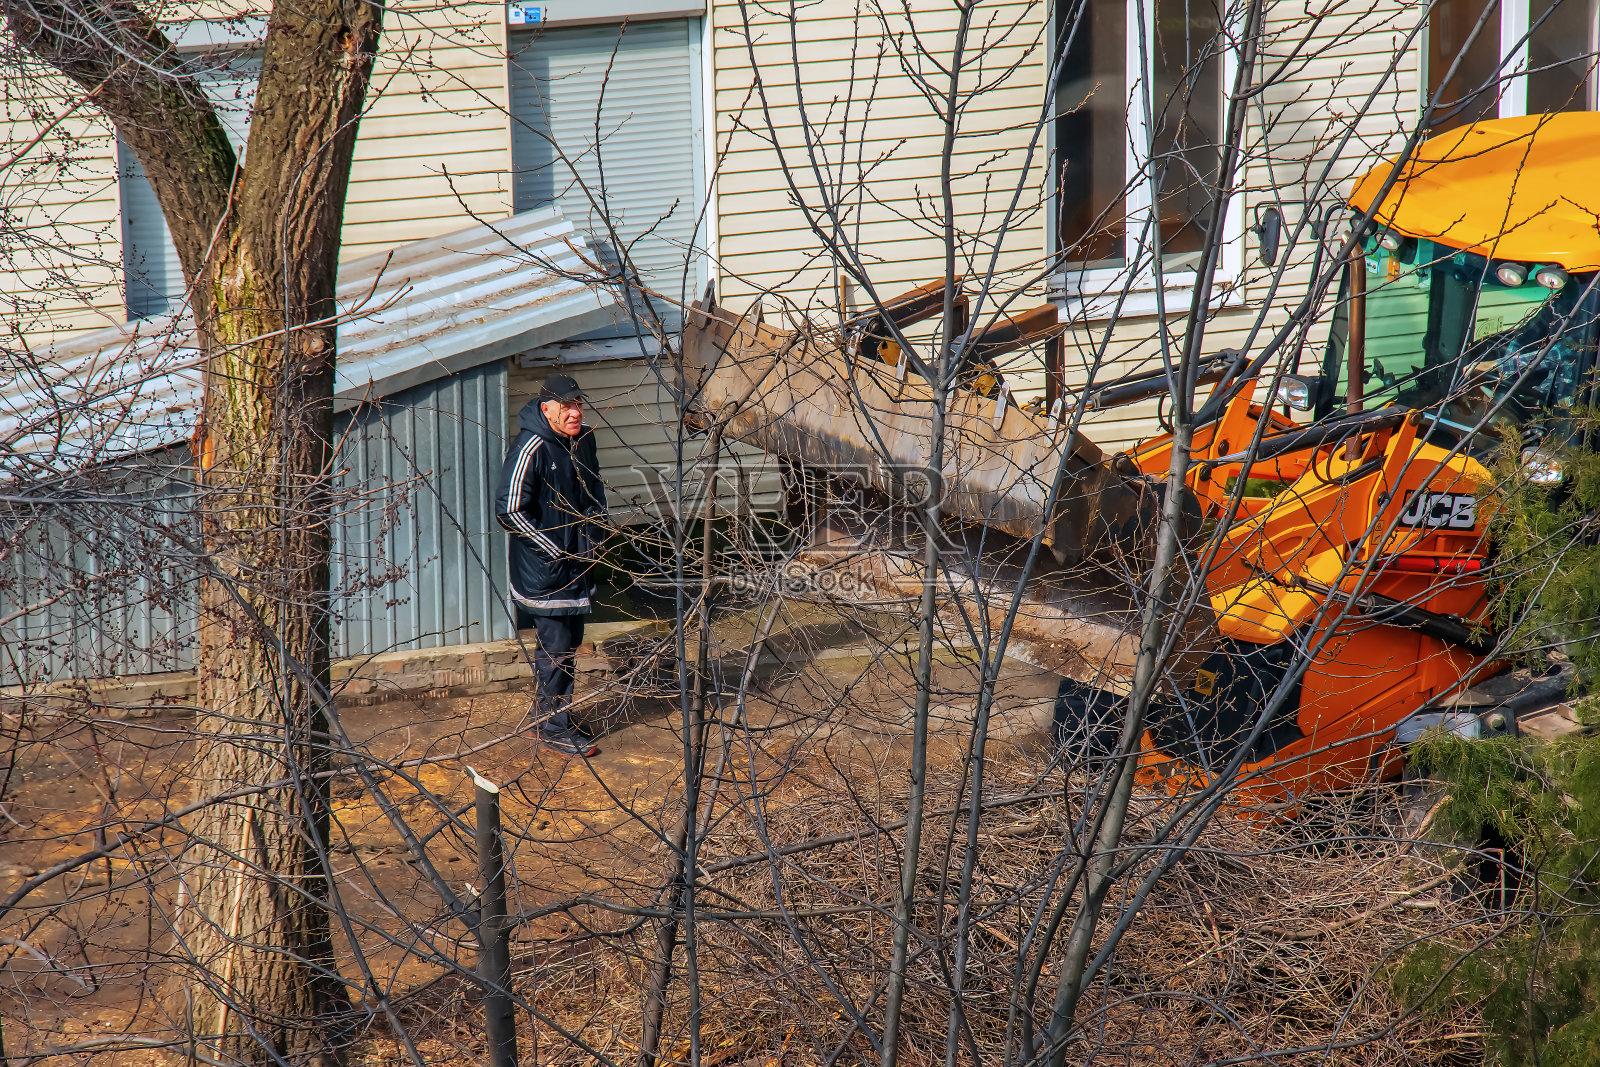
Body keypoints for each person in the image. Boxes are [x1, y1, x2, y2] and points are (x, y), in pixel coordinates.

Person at [495, 373, 607, 757]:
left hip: (578, 566)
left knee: (569, 645)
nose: (575, 412)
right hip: (546, 572)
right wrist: (554, 549)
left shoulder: (584, 440)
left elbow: (595, 492)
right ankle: (556, 729)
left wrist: (596, 535)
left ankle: (555, 718)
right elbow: (509, 510)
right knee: (556, 650)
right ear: (547, 409)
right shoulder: (532, 447)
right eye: (567, 406)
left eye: (579, 405)